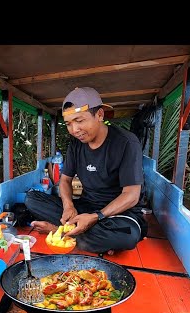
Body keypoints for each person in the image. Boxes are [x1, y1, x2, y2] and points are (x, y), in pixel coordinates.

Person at [25, 87, 148, 255]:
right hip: (85, 208)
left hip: (118, 215)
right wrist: (68, 206)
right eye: (69, 124)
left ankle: (58, 231)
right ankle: (83, 235)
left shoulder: (126, 142)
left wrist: (97, 216)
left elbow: (132, 195)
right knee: (32, 199)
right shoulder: (76, 144)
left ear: (99, 115)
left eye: (80, 120)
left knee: (127, 237)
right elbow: (65, 180)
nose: (75, 130)